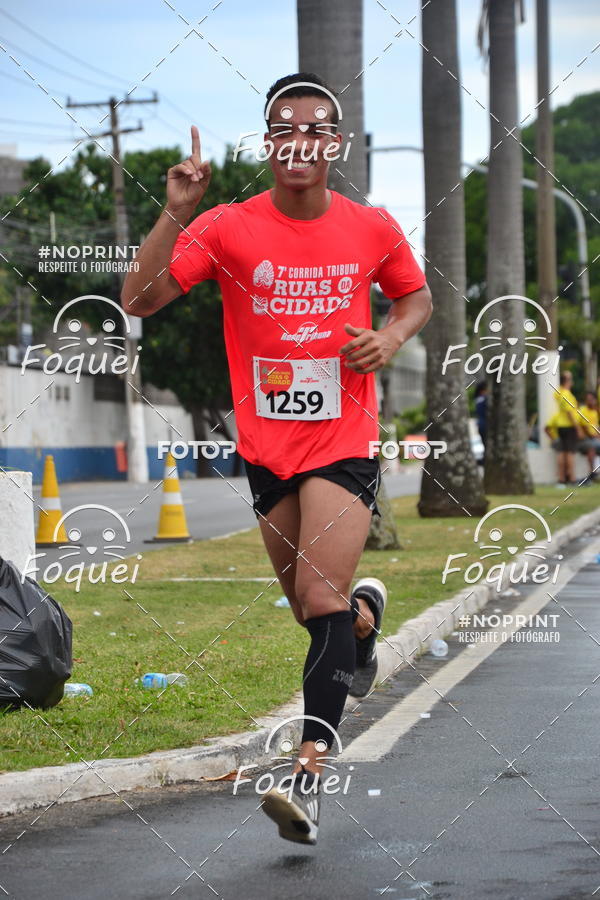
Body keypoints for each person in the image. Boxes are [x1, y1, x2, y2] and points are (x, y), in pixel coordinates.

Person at [121, 73, 432, 846]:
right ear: (269, 143)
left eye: (314, 128)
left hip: (344, 438)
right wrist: (176, 213)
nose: (299, 140)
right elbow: (141, 297)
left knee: (318, 598)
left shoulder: (371, 226)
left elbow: (414, 297)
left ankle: (309, 777)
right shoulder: (228, 226)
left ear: (334, 144)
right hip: (266, 446)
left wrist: (388, 339)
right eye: (283, 127)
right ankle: (365, 622)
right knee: (311, 609)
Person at [554, 371, 584, 487]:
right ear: (566, 381)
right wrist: (578, 428)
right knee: (570, 453)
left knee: (562, 452)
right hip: (569, 426)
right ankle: (571, 478)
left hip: (561, 426)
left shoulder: (559, 393)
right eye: (570, 379)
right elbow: (569, 413)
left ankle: (561, 479)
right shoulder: (566, 394)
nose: (572, 382)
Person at [577, 391, 600, 482]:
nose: (589, 401)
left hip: (595, 438)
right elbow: (585, 429)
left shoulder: (595, 412)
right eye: (587, 400)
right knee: (591, 447)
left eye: (591, 400)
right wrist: (596, 436)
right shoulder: (583, 411)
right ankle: (592, 472)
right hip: (586, 439)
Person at [474, 380, 488, 463]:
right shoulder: (484, 399)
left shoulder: (477, 399)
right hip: (484, 424)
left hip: (480, 424)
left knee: (484, 443)